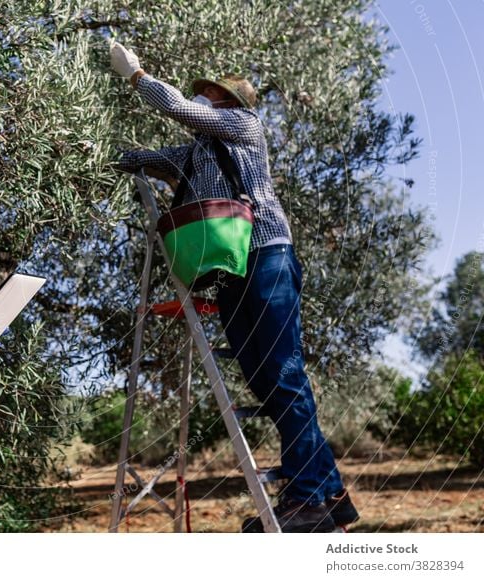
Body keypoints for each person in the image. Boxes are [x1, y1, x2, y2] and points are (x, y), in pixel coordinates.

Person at [109, 42, 359, 532]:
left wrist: (136, 75)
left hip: (266, 255)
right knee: (263, 379)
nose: (203, 101)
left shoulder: (246, 128)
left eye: (211, 96)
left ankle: (307, 500)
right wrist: (97, 156)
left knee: (285, 375)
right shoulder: (195, 152)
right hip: (230, 269)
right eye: (202, 95)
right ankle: (330, 496)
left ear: (229, 105)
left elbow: (178, 109)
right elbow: (148, 159)